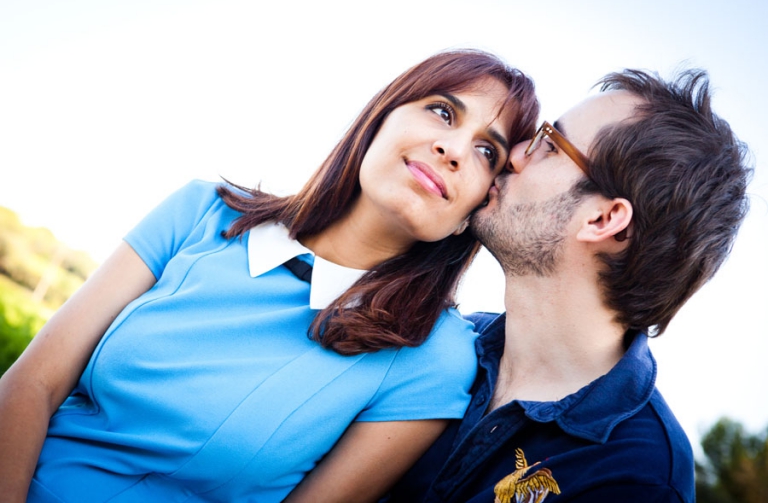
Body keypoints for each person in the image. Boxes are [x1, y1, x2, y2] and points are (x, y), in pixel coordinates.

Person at [0, 50, 539, 503]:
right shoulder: (202, 212)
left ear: (479, 205)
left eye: (486, 151)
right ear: (381, 116)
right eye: (443, 113)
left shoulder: (432, 356)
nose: (453, 150)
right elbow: (32, 384)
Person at [386, 69, 751, 502]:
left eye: (550, 145)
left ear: (603, 219)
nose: (515, 155)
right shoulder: (433, 339)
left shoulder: (637, 476)